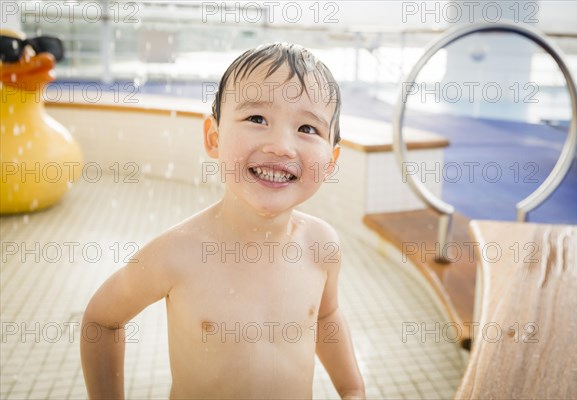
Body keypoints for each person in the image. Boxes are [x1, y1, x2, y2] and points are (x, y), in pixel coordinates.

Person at [80, 42, 365, 399]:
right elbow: (102, 321)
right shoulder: (177, 253)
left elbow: (325, 318)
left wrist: (352, 388)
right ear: (213, 138)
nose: (281, 146)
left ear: (331, 160)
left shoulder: (321, 246)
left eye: (308, 128)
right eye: (257, 119)